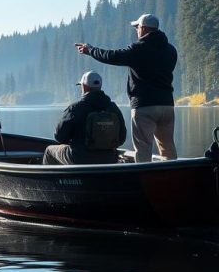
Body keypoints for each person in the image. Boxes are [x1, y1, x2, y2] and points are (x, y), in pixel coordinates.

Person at [74, 13, 177, 163]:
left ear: (144, 28)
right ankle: (173, 177)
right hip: (167, 105)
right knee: (168, 147)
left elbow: (111, 56)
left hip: (144, 105)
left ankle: (145, 182)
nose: (136, 30)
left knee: (143, 148)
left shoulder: (138, 49)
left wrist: (90, 50)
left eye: (137, 27)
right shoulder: (171, 50)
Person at [43, 71, 127, 165]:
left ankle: (58, 180)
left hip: (79, 158)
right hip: (109, 158)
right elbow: (122, 138)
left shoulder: (75, 108)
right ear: (100, 86)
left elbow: (59, 137)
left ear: (84, 87)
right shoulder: (113, 108)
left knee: (49, 150)